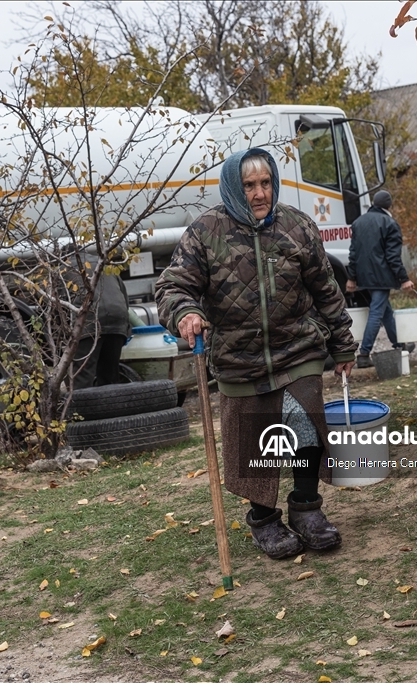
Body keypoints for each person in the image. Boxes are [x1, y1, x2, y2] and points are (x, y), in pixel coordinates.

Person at [156, 148, 357, 560]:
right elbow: (172, 286)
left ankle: (306, 509)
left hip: (297, 350)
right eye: (249, 185)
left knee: (305, 434)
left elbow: (327, 291)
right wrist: (186, 312)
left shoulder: (297, 226)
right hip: (238, 361)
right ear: (234, 186)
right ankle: (265, 520)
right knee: (257, 446)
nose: (260, 192)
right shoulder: (205, 232)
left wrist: (342, 344)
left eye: (265, 183)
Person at [345, 190, 415, 368]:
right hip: (381, 277)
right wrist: (404, 278)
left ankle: (399, 345)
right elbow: (392, 256)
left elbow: (353, 253)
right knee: (377, 313)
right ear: (388, 206)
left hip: (364, 277)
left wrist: (351, 277)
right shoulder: (390, 223)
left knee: (386, 312)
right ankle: (363, 354)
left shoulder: (358, 222)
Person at [68, 251, 131, 390]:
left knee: (82, 377)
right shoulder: (104, 263)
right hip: (117, 319)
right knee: (110, 377)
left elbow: (57, 305)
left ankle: (81, 411)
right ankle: (111, 410)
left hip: (88, 322)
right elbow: (124, 297)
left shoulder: (65, 266)